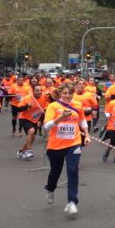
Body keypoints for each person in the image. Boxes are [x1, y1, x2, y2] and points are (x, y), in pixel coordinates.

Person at [43, 83, 90, 216]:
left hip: (73, 143)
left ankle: (72, 202)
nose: (67, 95)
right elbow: (46, 127)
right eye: (65, 93)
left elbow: (82, 121)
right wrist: (60, 118)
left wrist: (86, 135)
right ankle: (50, 189)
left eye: (70, 93)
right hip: (55, 145)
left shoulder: (78, 105)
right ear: (60, 94)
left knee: (73, 170)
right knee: (55, 171)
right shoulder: (53, 106)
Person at [16, 84, 48, 160]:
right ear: (33, 91)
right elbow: (18, 109)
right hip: (25, 118)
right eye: (37, 90)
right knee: (31, 131)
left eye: (40, 90)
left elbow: (51, 100)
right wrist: (27, 106)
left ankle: (21, 151)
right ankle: (29, 150)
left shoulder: (44, 96)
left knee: (32, 138)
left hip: (35, 119)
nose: (39, 92)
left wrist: (40, 120)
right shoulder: (27, 98)